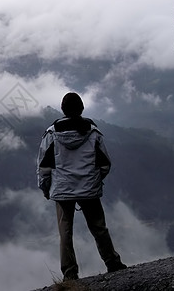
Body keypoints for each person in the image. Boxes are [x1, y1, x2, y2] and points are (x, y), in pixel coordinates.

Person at [37, 92, 127, 281]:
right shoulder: (93, 133)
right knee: (99, 227)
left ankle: (70, 274)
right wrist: (94, 179)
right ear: (82, 109)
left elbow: (44, 167)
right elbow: (105, 164)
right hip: (89, 189)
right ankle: (112, 262)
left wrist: (46, 189)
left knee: (65, 233)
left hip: (62, 191)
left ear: (63, 109)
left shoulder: (51, 134)